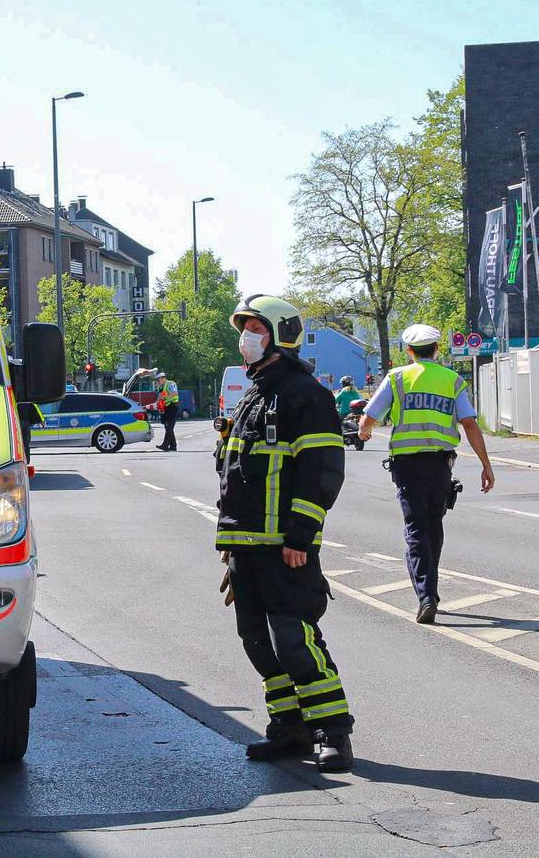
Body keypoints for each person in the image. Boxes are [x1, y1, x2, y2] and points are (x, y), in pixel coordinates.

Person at [216, 295, 354, 772]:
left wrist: (302, 535)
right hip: (245, 544)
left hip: (283, 546)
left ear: (278, 334)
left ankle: (332, 731)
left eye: (255, 327)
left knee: (293, 637)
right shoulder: (254, 393)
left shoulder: (305, 394)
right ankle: (289, 727)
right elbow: (237, 473)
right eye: (245, 327)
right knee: (256, 638)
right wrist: (229, 544)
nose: (247, 336)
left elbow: (321, 470)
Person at [358, 324, 495, 624]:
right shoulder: (452, 380)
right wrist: (486, 464)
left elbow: (369, 417)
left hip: (407, 466)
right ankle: (430, 589)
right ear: (436, 349)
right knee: (434, 524)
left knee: (416, 529)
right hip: (441, 465)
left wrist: (364, 431)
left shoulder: (397, 378)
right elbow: (469, 423)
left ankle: (426, 595)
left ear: (408, 351)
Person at [154, 371, 180, 451]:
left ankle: (165, 445)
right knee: (167, 427)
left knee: (169, 427)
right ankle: (173, 446)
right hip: (165, 408)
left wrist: (165, 399)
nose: (157, 382)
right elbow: (159, 397)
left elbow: (175, 394)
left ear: (163, 378)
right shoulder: (160, 387)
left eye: (158, 380)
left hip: (172, 406)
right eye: (157, 380)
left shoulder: (170, 384)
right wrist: (157, 403)